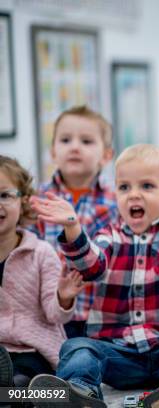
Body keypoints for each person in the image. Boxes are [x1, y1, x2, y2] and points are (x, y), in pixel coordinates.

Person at [29, 132, 159, 408]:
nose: (133, 194)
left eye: (146, 186)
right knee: (77, 347)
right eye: (124, 187)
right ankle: (79, 394)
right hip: (119, 354)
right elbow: (91, 265)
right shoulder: (109, 235)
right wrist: (73, 227)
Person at [35, 105, 118, 339]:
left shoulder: (116, 201)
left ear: (106, 155)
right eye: (65, 140)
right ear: (52, 152)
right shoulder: (38, 201)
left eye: (86, 141)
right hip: (49, 311)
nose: (74, 147)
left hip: (101, 313)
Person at [0, 155, 81, 388]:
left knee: (25, 379)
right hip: (1, 349)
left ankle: (20, 394)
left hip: (34, 350)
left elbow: (55, 315)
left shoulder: (41, 253)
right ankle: (10, 396)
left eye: (4, 195)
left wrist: (63, 297)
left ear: (24, 202)